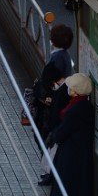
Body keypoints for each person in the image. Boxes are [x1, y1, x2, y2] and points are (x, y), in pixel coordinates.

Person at [47, 73, 96, 196]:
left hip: (72, 159)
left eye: (70, 87)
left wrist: (53, 136)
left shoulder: (75, 111)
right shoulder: (85, 107)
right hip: (81, 158)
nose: (68, 89)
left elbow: (62, 133)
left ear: (75, 92)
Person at [36, 24, 74, 185]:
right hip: (59, 101)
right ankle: (51, 172)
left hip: (53, 103)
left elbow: (49, 80)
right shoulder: (64, 55)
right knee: (47, 136)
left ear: (53, 40)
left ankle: (52, 172)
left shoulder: (57, 58)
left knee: (45, 135)